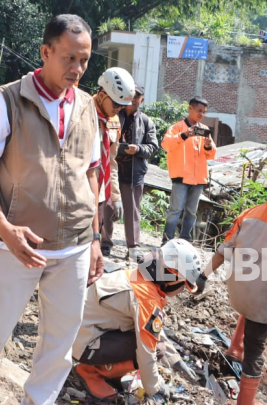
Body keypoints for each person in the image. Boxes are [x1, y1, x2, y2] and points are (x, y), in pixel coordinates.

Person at [0, 14, 103, 405]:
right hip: (16, 246)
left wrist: (97, 238)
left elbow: (92, 174)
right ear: (45, 52)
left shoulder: (87, 107)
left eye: (84, 61)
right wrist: (4, 227)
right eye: (69, 58)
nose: (77, 69)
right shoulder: (7, 101)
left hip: (74, 249)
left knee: (60, 343)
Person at [195, 161, 267, 405]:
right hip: (258, 300)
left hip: (236, 292)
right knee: (257, 351)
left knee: (254, 302)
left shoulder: (248, 213)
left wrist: (203, 276)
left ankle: (235, 349)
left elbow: (223, 249)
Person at [72, 239, 203, 401]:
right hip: (82, 343)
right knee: (156, 350)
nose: (182, 290)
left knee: (154, 344)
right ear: (174, 277)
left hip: (78, 330)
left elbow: (153, 328)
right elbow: (147, 351)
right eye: (184, 285)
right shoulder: (146, 298)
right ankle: (90, 371)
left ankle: (109, 370)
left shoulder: (140, 278)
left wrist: (175, 359)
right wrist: (154, 387)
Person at [92, 67, 135, 259]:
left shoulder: (114, 121)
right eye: (116, 105)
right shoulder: (82, 110)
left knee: (94, 238)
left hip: (99, 191)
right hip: (77, 187)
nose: (117, 110)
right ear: (102, 94)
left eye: (121, 106)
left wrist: (115, 196)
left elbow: (112, 162)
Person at [160, 97, 216, 243]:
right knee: (175, 210)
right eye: (199, 111)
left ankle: (185, 239)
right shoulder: (177, 128)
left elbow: (211, 154)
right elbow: (166, 144)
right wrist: (184, 135)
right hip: (181, 176)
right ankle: (167, 239)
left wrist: (208, 145)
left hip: (199, 178)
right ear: (190, 108)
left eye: (204, 112)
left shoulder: (204, 130)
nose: (201, 114)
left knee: (191, 211)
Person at [114, 85, 158, 261]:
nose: (133, 99)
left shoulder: (147, 121)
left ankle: (133, 248)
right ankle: (105, 244)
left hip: (134, 172)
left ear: (142, 99)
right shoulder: (114, 116)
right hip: (113, 169)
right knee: (109, 208)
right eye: (131, 95)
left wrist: (137, 149)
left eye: (137, 96)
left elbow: (153, 147)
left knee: (132, 211)